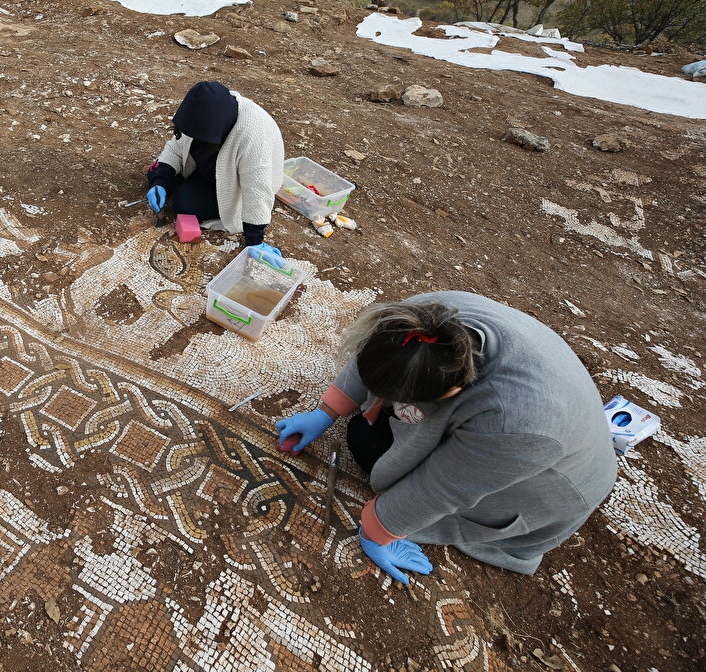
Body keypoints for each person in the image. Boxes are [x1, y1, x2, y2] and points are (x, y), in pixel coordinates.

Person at [276, 292, 617, 582]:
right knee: (365, 430)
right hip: (518, 423)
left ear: (453, 390)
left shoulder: (518, 424)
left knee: (368, 445)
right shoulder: (423, 319)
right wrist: (327, 411)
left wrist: (378, 531)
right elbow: (374, 358)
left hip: (545, 485)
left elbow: (442, 490)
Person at [145, 82, 285, 263]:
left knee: (184, 201)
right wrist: (160, 182)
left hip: (237, 186)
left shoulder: (254, 134)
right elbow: (176, 146)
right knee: (157, 174)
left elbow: (257, 187)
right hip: (211, 167)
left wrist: (255, 240)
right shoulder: (203, 114)